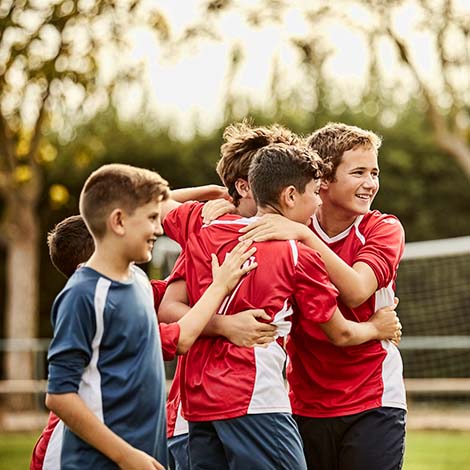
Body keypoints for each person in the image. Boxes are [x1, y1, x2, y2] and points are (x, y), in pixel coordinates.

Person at [161, 142, 401, 470]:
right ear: (290, 195)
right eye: (314, 191)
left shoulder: (202, 228)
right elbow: (341, 332)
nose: (317, 201)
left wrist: (212, 195)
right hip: (256, 398)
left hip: (198, 406)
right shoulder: (297, 254)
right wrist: (376, 327)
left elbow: (151, 201)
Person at [43, 164, 258, 470]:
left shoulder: (138, 283)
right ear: (118, 221)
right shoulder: (83, 295)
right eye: (151, 219)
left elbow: (181, 333)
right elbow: (59, 397)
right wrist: (125, 455)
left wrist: (213, 195)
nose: (159, 229)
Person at [239, 122, 407, 470]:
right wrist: (217, 203)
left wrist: (303, 237)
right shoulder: (291, 225)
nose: (371, 183)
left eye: (374, 172)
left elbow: (358, 290)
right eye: (358, 172)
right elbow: (248, 206)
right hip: (305, 403)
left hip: (374, 398)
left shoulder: (383, 228)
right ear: (324, 180)